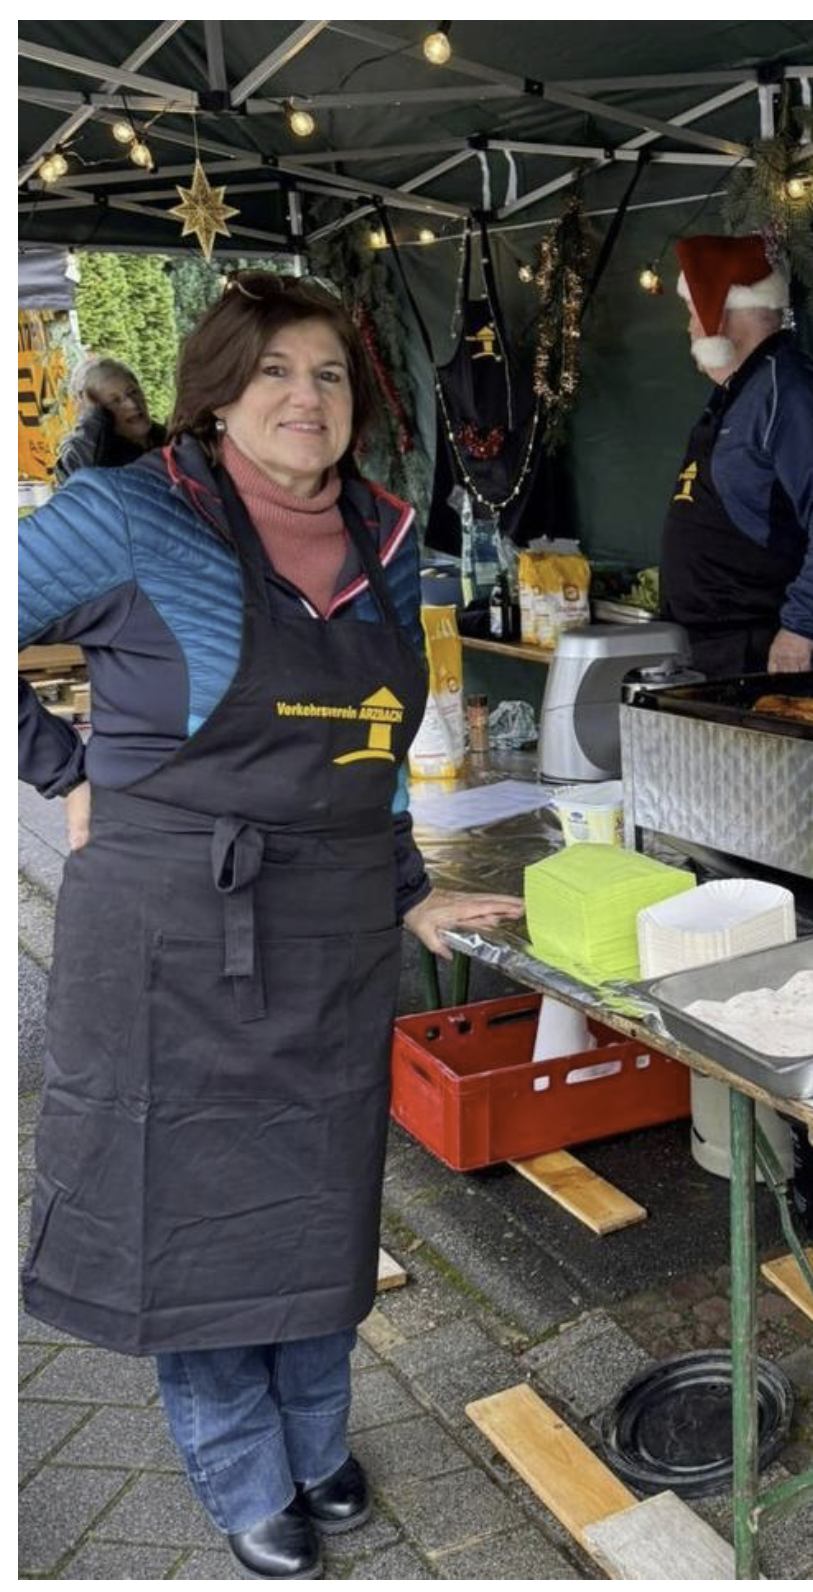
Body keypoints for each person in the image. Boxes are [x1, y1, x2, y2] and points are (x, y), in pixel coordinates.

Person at [17, 271, 522, 1580]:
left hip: (332, 936)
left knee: (317, 1206)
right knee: (188, 1218)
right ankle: (244, 1475)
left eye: (331, 373)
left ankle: (315, 1443)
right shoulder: (129, 514)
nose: (307, 397)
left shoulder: (387, 537)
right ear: (217, 392)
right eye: (275, 371)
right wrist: (63, 769)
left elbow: (378, 751)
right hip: (167, 935)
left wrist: (411, 885)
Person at [659, 233, 813, 677]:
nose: (690, 328)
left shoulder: (790, 393)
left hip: (771, 654)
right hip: (720, 651)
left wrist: (799, 629)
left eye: (693, 312)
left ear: (720, 313)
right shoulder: (739, 393)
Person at [53, 353, 167, 482]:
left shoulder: (173, 439)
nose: (132, 404)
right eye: (115, 401)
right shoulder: (88, 457)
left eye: (133, 392)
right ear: (96, 412)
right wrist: (91, 422)